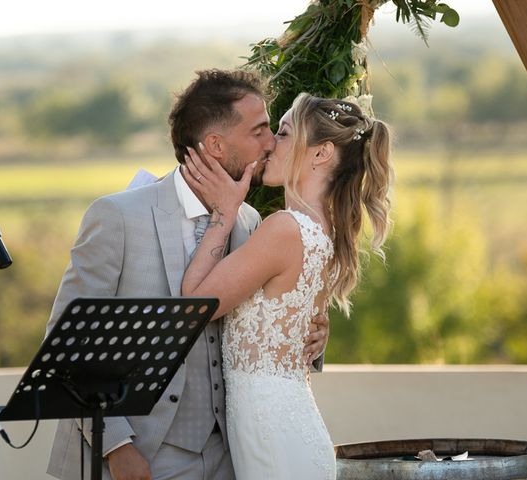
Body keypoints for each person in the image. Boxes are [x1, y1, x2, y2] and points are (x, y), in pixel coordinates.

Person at [45, 70, 329, 480]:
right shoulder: (119, 216)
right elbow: (68, 340)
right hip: (138, 455)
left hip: (231, 456)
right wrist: (117, 448)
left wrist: (315, 335)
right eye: (259, 131)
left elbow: (269, 316)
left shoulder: (249, 221)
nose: (271, 143)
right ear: (215, 145)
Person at [180, 92, 393, 479]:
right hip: (281, 426)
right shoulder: (325, 233)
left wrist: (225, 212)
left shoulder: (284, 228)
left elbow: (195, 303)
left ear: (321, 153)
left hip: (271, 435)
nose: (269, 144)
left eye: (283, 132)